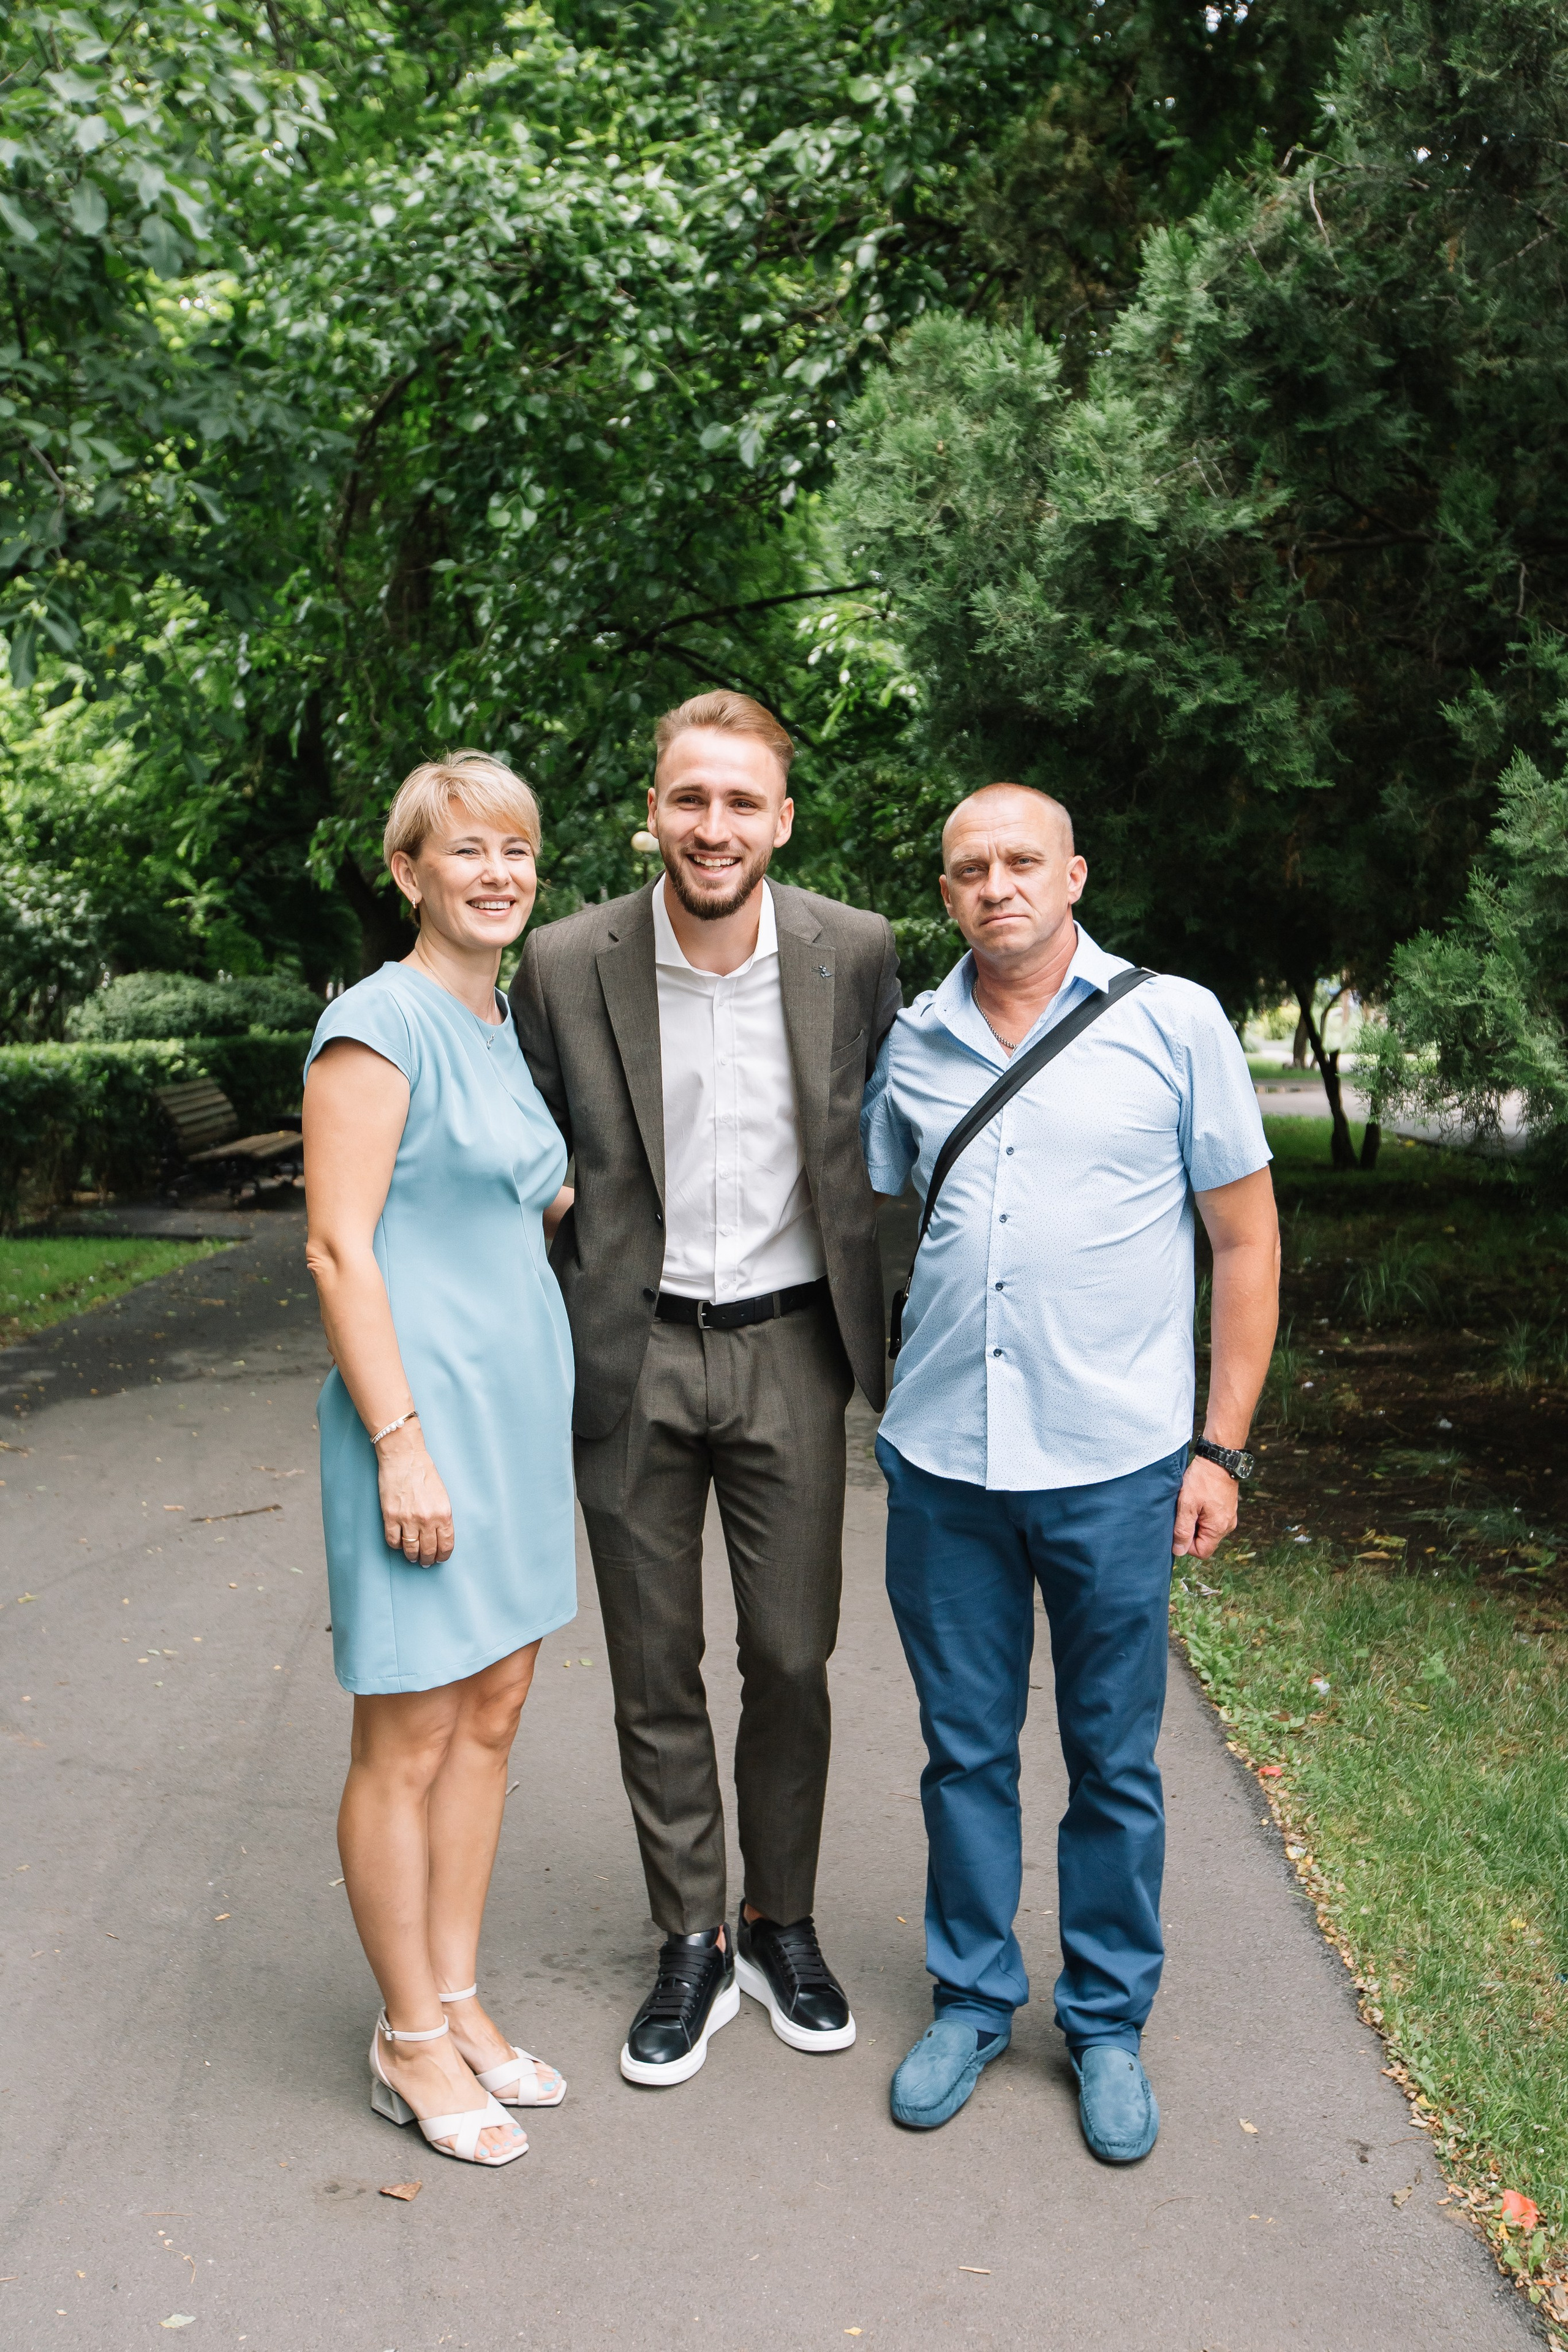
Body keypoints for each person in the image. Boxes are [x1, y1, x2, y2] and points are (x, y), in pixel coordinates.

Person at [861, 782, 1279, 2161]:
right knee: (962, 1751)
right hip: (943, 1464)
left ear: (1073, 874)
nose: (996, 887)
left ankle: (1103, 2023)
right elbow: (879, 1223)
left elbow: (1243, 1243)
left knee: (1110, 1760)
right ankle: (972, 1999)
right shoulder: (911, 1044)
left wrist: (1218, 1445)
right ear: (945, 895)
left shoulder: (1173, 1021)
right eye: (969, 869)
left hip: (1113, 1462)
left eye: (1021, 861)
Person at [511, 690, 901, 2086]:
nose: (714, 826)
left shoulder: (854, 953)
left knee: (790, 1659)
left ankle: (775, 1918)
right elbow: (529, 1162)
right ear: (653, 811)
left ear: (780, 820)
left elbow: (888, 1147)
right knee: (650, 1665)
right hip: (632, 1352)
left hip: (794, 1346)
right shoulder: (563, 964)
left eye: (742, 802)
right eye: (690, 799)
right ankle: (689, 1940)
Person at [303, 750, 577, 2169]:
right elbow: (339, 1246)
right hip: (417, 1428)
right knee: (407, 1730)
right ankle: (406, 2039)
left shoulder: (499, 1021)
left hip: (517, 1426)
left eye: (515, 852)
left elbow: (524, 1208)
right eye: (463, 851)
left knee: (493, 1708)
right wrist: (399, 1442)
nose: (494, 875)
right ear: (408, 872)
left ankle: (457, 1998)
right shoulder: (378, 1023)